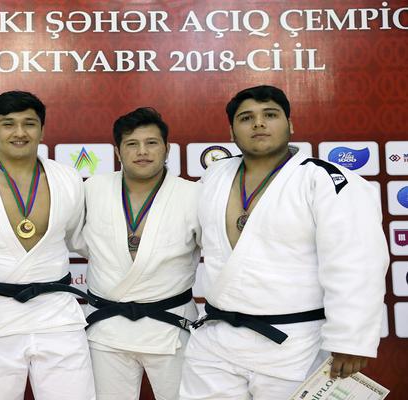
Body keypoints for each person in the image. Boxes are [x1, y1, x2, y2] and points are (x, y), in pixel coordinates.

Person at [180, 85, 389, 399]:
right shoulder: (215, 175)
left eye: (270, 115)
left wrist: (350, 340)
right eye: (246, 118)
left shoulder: (326, 180)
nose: (259, 123)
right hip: (215, 342)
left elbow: (356, 263)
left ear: (290, 125)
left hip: (294, 344)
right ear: (232, 132)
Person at [0, 90, 95, 400]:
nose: (20, 132)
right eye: (8, 124)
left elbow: (83, 239)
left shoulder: (68, 178)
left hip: (56, 313)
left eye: (29, 123)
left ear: (42, 130)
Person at [82, 107, 200, 400]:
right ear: (118, 151)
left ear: (167, 148)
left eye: (151, 143)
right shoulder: (93, 189)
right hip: (107, 328)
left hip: (171, 326)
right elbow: (75, 240)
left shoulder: (193, 194)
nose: (142, 151)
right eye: (132, 144)